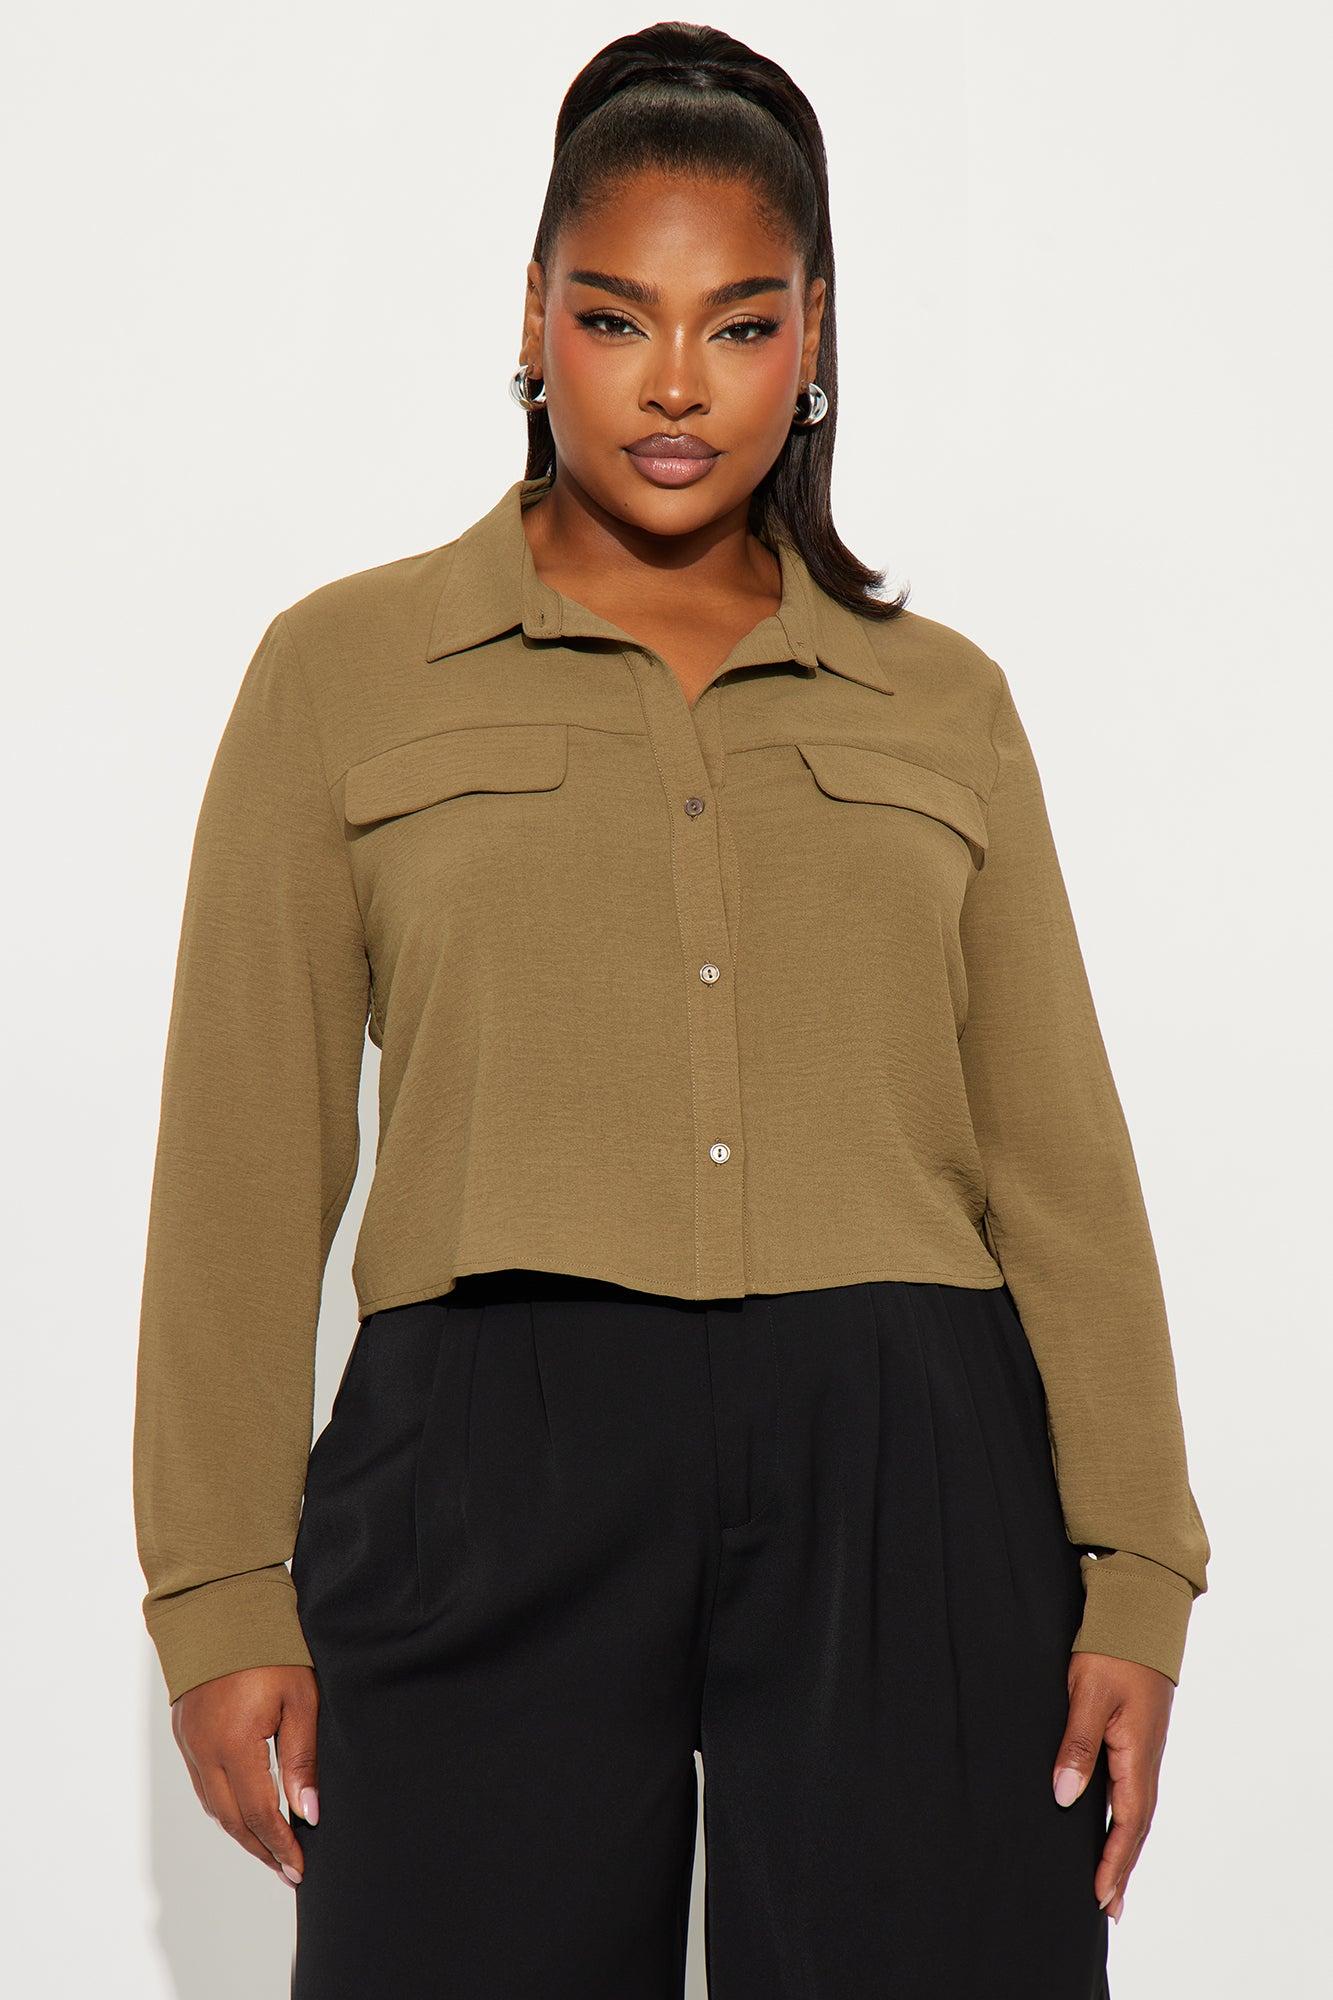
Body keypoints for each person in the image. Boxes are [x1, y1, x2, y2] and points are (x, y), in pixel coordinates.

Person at [132, 21, 1211, 1999]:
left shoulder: (940, 702)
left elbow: (1058, 1162)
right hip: (487, 1453)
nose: (676, 384)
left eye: (741, 324)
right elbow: (242, 1160)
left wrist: (1138, 1565)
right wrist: (215, 1587)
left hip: (906, 1454)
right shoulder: (344, 672)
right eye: (618, 316)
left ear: (815, 338)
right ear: (533, 317)